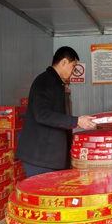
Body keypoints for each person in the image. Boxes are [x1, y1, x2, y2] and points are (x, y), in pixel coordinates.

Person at [16, 47, 96, 177]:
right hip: (40, 157)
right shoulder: (45, 81)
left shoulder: (57, 83)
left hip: (50, 156)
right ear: (64, 62)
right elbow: (42, 114)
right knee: (44, 190)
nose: (73, 71)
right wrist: (76, 121)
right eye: (73, 66)